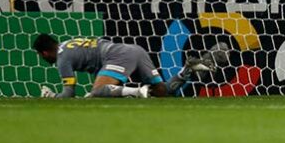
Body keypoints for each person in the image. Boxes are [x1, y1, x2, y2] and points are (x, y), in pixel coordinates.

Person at [34, 34, 212, 98]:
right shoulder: (67, 44)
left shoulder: (61, 58)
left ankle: (138, 92)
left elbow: (69, 94)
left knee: (97, 91)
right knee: (163, 91)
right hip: (134, 50)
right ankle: (188, 69)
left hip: (117, 55)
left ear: (44, 53)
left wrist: (52, 96)